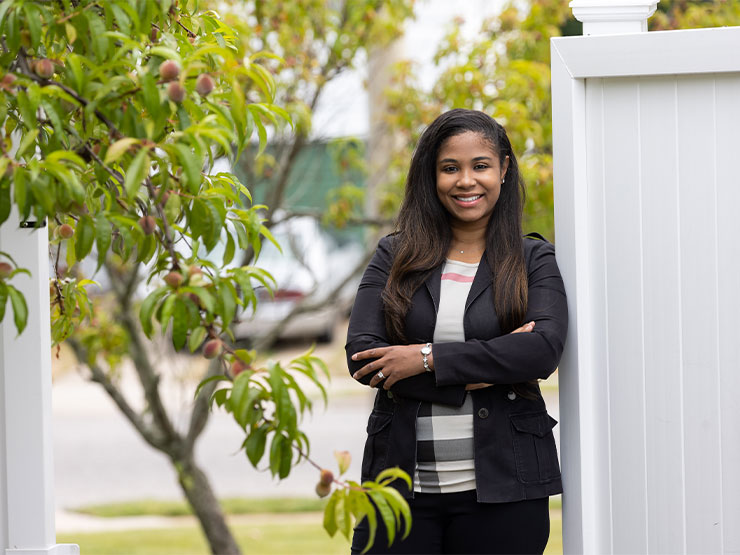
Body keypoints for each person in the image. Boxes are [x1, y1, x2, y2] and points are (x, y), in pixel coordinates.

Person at [345, 108, 568, 554]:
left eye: (480, 166)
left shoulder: (533, 260)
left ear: (504, 169)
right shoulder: (394, 256)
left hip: (505, 491)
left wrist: (425, 359)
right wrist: (493, 363)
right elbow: (364, 358)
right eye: (450, 168)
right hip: (399, 490)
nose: (466, 181)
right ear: (432, 177)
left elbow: (541, 352)